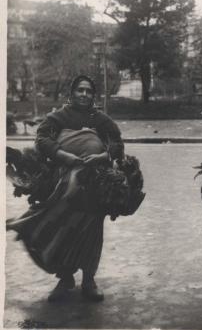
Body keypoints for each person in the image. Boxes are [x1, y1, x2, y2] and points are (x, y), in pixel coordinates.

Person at [7, 75, 125, 303]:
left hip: (94, 184)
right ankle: (65, 278)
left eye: (88, 91)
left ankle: (89, 280)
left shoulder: (101, 119)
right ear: (71, 93)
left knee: (91, 230)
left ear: (93, 95)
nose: (84, 94)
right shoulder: (58, 117)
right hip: (62, 183)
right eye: (80, 90)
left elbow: (117, 144)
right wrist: (65, 156)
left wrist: (102, 155)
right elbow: (42, 139)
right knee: (63, 229)